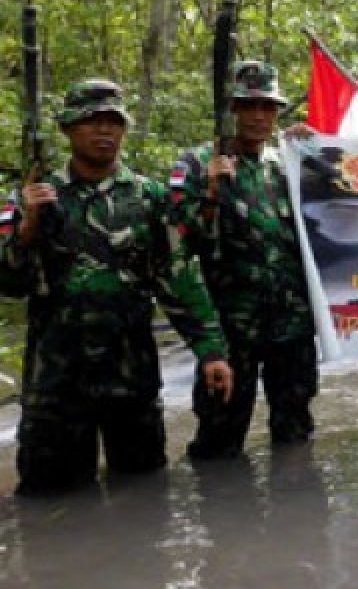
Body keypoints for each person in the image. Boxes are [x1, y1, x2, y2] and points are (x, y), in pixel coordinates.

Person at [0, 80, 232, 494]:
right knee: (50, 506)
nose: (103, 131)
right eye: (91, 121)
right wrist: (28, 230)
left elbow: (178, 277)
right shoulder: (31, 199)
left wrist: (211, 350)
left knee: (144, 496)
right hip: (56, 382)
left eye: (112, 122)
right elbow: (10, 284)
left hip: (131, 376)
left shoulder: (150, 197)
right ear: (68, 129)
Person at [172, 61, 318, 459]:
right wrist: (210, 193)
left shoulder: (286, 164)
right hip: (230, 327)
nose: (258, 116)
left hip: (290, 324)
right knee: (220, 438)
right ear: (232, 110)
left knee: (295, 435)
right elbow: (176, 243)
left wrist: (317, 150)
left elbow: (332, 216)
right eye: (249, 106)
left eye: (268, 108)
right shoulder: (197, 164)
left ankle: (296, 520)